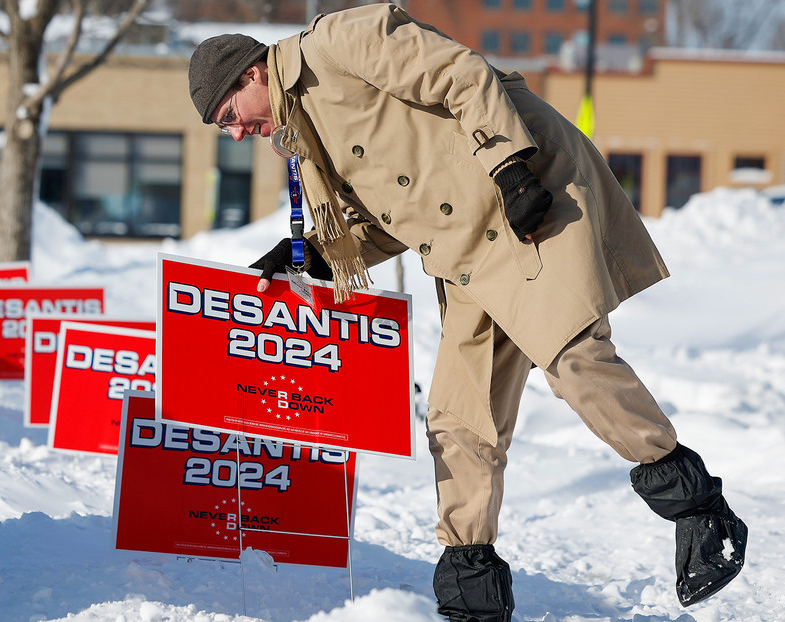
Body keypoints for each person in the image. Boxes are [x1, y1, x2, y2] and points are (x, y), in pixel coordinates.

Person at [187, 4, 747, 621]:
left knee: (572, 358)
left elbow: (461, 74)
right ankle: (471, 587)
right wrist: (316, 255)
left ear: (251, 77)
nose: (236, 133)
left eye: (229, 118)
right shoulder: (297, 134)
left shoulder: (340, 43)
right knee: (458, 416)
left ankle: (699, 511)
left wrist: (510, 167)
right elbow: (392, 215)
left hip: (528, 198)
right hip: (465, 254)